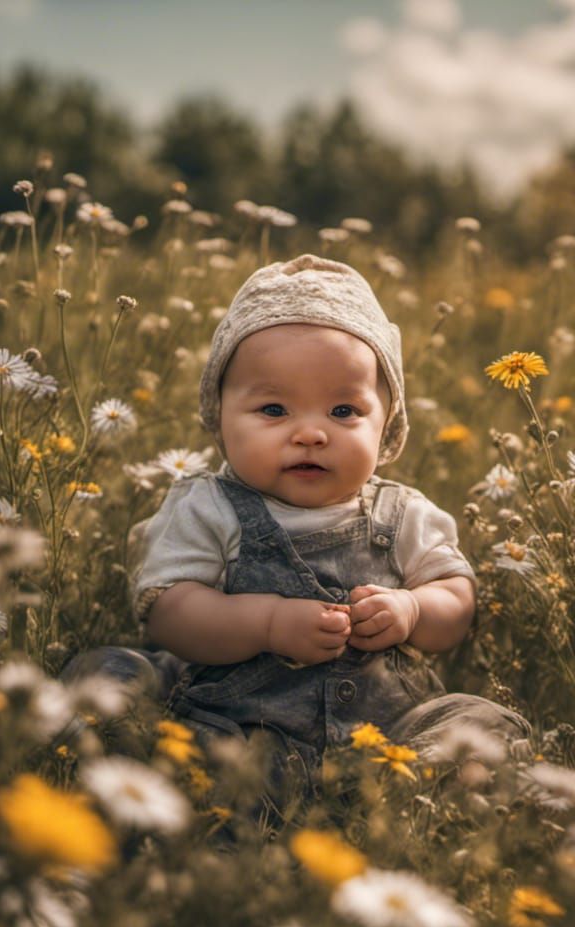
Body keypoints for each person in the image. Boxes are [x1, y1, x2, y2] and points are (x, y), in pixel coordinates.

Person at [119, 255, 529, 803]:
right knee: (129, 690)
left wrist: (412, 611)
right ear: (219, 418)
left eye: (342, 411)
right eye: (273, 409)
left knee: (478, 721)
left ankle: (403, 791)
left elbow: (456, 602)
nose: (311, 433)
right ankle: (242, 799)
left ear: (386, 425)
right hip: (243, 730)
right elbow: (168, 613)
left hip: (388, 736)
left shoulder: (403, 514)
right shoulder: (208, 507)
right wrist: (265, 623)